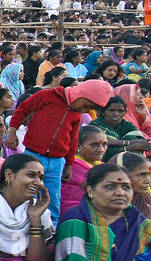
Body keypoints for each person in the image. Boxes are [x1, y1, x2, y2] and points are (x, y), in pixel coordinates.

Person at [7, 78, 113, 223]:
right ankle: (24, 223)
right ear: (81, 95)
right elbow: (22, 110)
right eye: (86, 106)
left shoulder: (76, 114)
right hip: (33, 156)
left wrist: (68, 164)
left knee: (53, 197)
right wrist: (12, 131)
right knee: (29, 193)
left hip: (57, 161)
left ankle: (52, 227)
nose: (85, 111)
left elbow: (73, 140)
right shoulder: (46, 96)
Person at [111, 84, 151, 159]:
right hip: (131, 141)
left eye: (140, 94)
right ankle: (146, 153)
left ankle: (148, 152)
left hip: (144, 139)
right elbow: (133, 134)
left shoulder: (138, 108)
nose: (141, 97)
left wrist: (144, 116)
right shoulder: (119, 114)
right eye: (137, 95)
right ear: (127, 97)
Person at [58, 126, 109, 214]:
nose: (101, 149)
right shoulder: (73, 165)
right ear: (78, 146)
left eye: (104, 144)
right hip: (74, 213)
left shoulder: (100, 165)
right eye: (94, 145)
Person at [112, 152, 151, 223]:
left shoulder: (146, 200)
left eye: (149, 174)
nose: (148, 181)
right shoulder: (104, 206)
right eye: (142, 174)